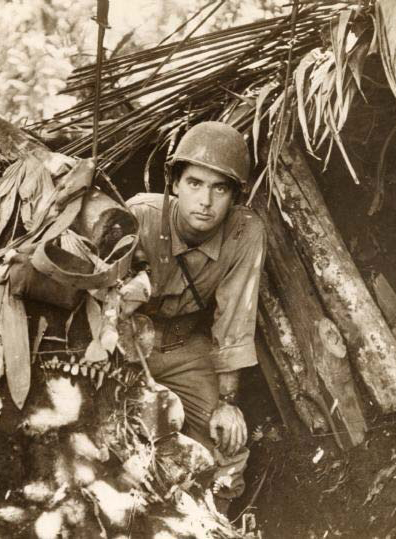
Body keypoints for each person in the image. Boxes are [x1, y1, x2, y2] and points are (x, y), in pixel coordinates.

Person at [126, 121, 267, 503]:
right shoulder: (140, 216)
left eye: (219, 188)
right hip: (127, 352)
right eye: (195, 184)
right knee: (131, 441)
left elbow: (235, 318)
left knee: (229, 444)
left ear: (234, 196)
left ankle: (214, 520)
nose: (205, 201)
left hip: (185, 348)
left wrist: (227, 403)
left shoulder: (245, 233)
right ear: (174, 184)